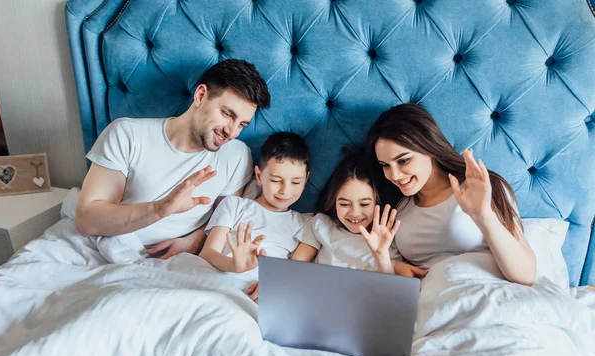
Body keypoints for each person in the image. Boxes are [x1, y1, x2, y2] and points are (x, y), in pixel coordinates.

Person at [74, 59, 270, 259]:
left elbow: (224, 219)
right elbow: (86, 220)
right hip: (110, 247)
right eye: (227, 114)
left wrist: (194, 242)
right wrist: (161, 209)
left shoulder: (236, 155)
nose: (232, 132)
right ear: (201, 95)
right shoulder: (127, 135)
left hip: (179, 259)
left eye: (242, 124)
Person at [366, 103, 536, 285]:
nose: (394, 175)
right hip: (433, 302)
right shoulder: (394, 210)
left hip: (487, 295)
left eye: (404, 160)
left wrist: (483, 216)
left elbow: (525, 275)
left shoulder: (479, 188)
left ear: (428, 148)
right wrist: (396, 267)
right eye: (385, 165)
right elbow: (391, 287)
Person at [247, 150, 408, 302]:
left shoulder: (386, 242)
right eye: (344, 204)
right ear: (334, 202)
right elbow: (294, 266)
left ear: (376, 202)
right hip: (314, 303)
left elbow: (390, 297)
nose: (354, 213)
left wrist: (381, 254)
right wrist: (273, 283)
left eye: (364, 204)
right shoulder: (321, 225)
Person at [199, 132, 310, 283]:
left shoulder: (305, 224)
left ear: (306, 180)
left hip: (262, 288)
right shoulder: (234, 205)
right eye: (276, 180)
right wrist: (234, 265)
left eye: (296, 182)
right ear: (259, 176)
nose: (285, 190)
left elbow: (296, 273)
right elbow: (207, 253)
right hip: (221, 275)